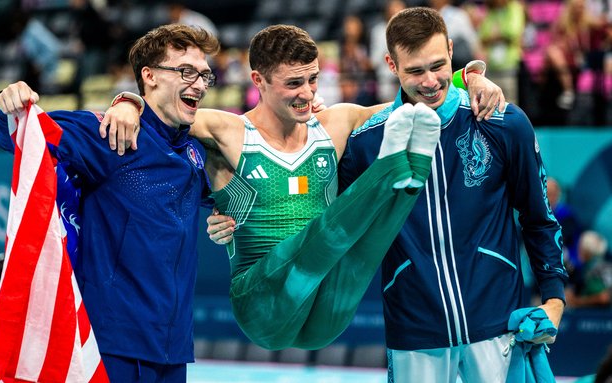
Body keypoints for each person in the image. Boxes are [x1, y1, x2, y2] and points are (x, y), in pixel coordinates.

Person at [104, 24, 505, 351]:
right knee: (331, 234)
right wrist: (126, 101)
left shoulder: (336, 122)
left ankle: (406, 172)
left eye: (313, 79)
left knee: (369, 244)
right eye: (294, 83)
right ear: (258, 80)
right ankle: (391, 168)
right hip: (262, 306)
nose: (309, 93)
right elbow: (164, 108)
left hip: (323, 316)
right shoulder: (226, 131)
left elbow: (421, 93)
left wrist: (467, 78)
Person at [335, 8, 567, 382]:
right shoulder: (366, 144)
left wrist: (554, 299)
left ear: (452, 49)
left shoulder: (503, 123)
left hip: (497, 323)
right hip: (414, 332)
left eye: (438, 65)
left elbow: (539, 218)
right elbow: (331, 225)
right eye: (414, 71)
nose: (430, 81)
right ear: (390, 64)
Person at [0, 24, 220, 382]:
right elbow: (20, 134)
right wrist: (9, 103)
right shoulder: (110, 135)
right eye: (187, 72)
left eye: (206, 75)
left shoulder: (193, 153)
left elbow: (232, 194)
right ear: (150, 76)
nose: (201, 84)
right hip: (113, 345)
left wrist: (227, 218)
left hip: (174, 349)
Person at [566, 230, 612, 308]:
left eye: (580, 247)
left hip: (603, 316)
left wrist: (578, 302)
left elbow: (604, 297)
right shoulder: (580, 269)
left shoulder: (603, 267)